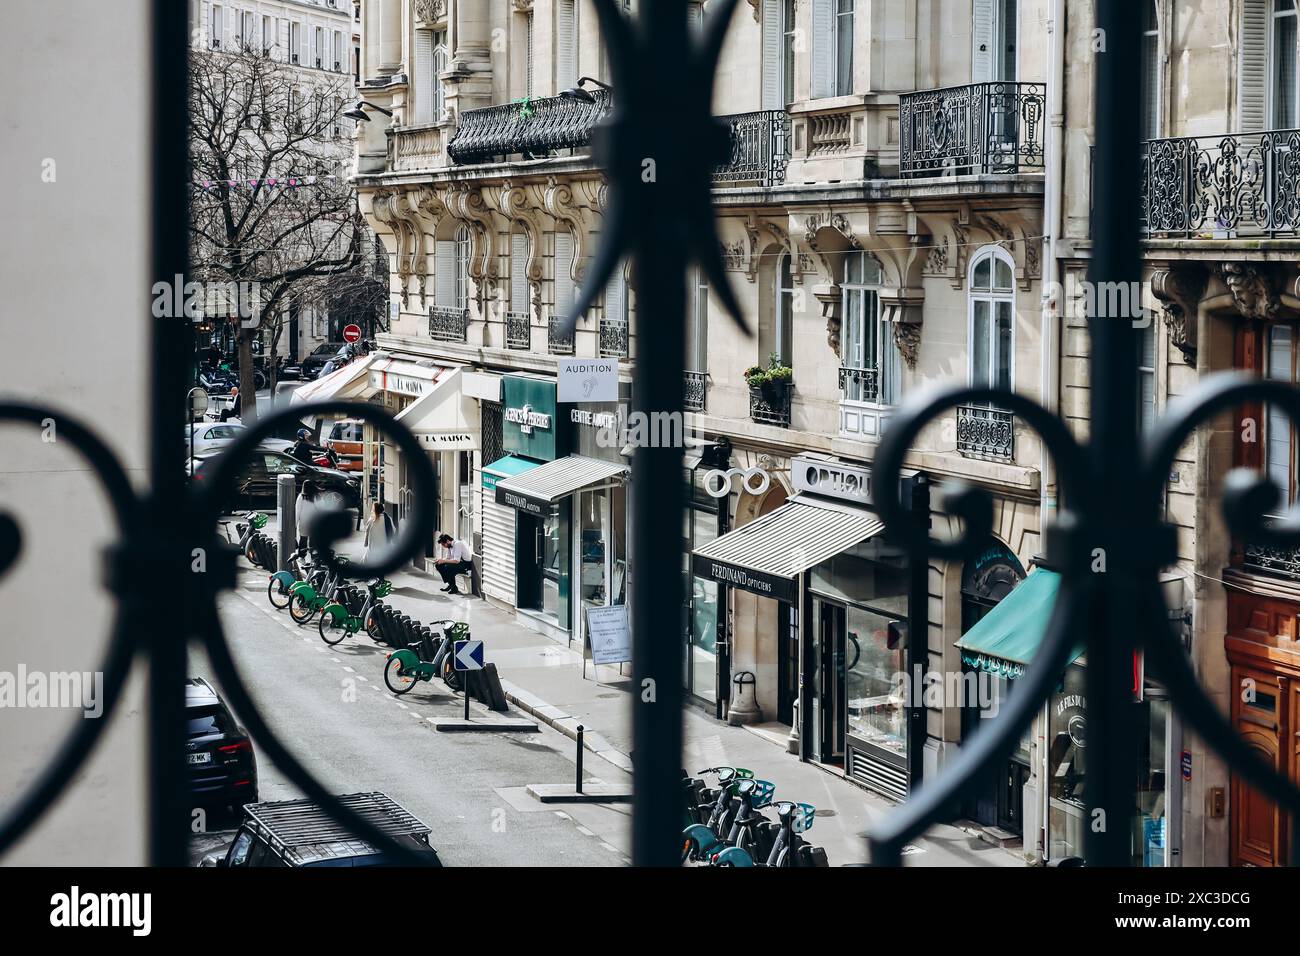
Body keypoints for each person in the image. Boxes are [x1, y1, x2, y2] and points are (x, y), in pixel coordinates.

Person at [295, 480, 318, 550]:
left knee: (303, 539)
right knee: (313, 540)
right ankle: (313, 557)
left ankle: (302, 556)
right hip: (314, 521)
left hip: (304, 521)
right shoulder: (316, 496)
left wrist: (295, 525)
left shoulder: (301, 497)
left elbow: (297, 511)